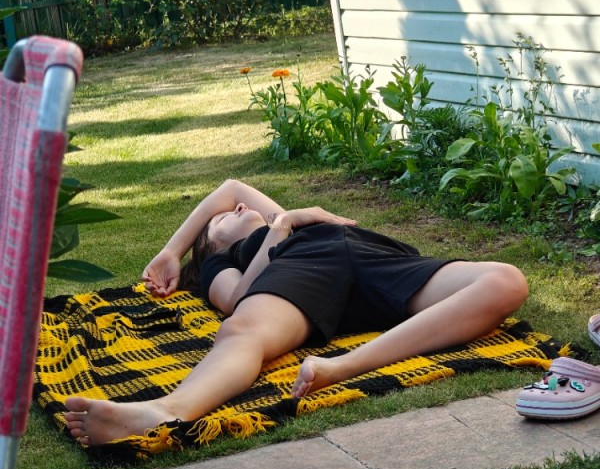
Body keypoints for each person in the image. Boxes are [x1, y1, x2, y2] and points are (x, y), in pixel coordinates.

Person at [64, 179, 528, 446]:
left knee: (506, 281)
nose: (240, 207)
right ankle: (167, 411)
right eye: (224, 219)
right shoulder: (227, 260)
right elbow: (239, 300)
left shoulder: (275, 220)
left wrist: (169, 248)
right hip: (303, 272)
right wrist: (279, 229)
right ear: (214, 245)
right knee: (245, 331)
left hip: (376, 262)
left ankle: (344, 365)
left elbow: (230, 188)